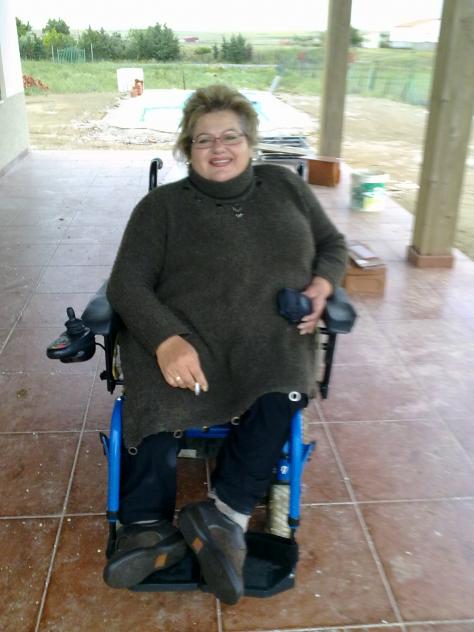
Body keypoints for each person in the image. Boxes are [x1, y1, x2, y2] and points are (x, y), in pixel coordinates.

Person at [104, 84, 347, 604]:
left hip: (267, 335)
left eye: (231, 136)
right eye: (204, 139)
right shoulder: (161, 207)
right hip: (183, 333)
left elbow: (333, 244)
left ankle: (224, 518)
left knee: (284, 382)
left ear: (250, 142)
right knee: (159, 386)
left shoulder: (286, 187)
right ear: (187, 148)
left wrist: (323, 285)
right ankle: (146, 529)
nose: (219, 148)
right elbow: (126, 284)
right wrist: (166, 339)